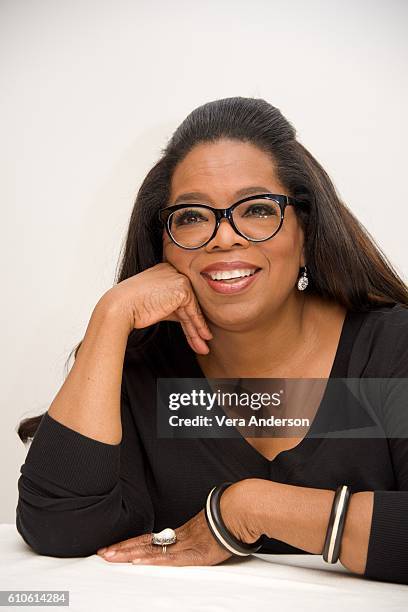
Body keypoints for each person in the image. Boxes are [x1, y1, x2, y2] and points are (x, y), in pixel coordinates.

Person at [16, 97, 408, 585]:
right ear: (163, 245)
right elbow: (58, 524)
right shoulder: (145, 374)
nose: (223, 238)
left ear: (307, 231)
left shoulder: (393, 349)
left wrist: (246, 509)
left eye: (258, 209)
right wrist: (111, 317)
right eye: (192, 216)